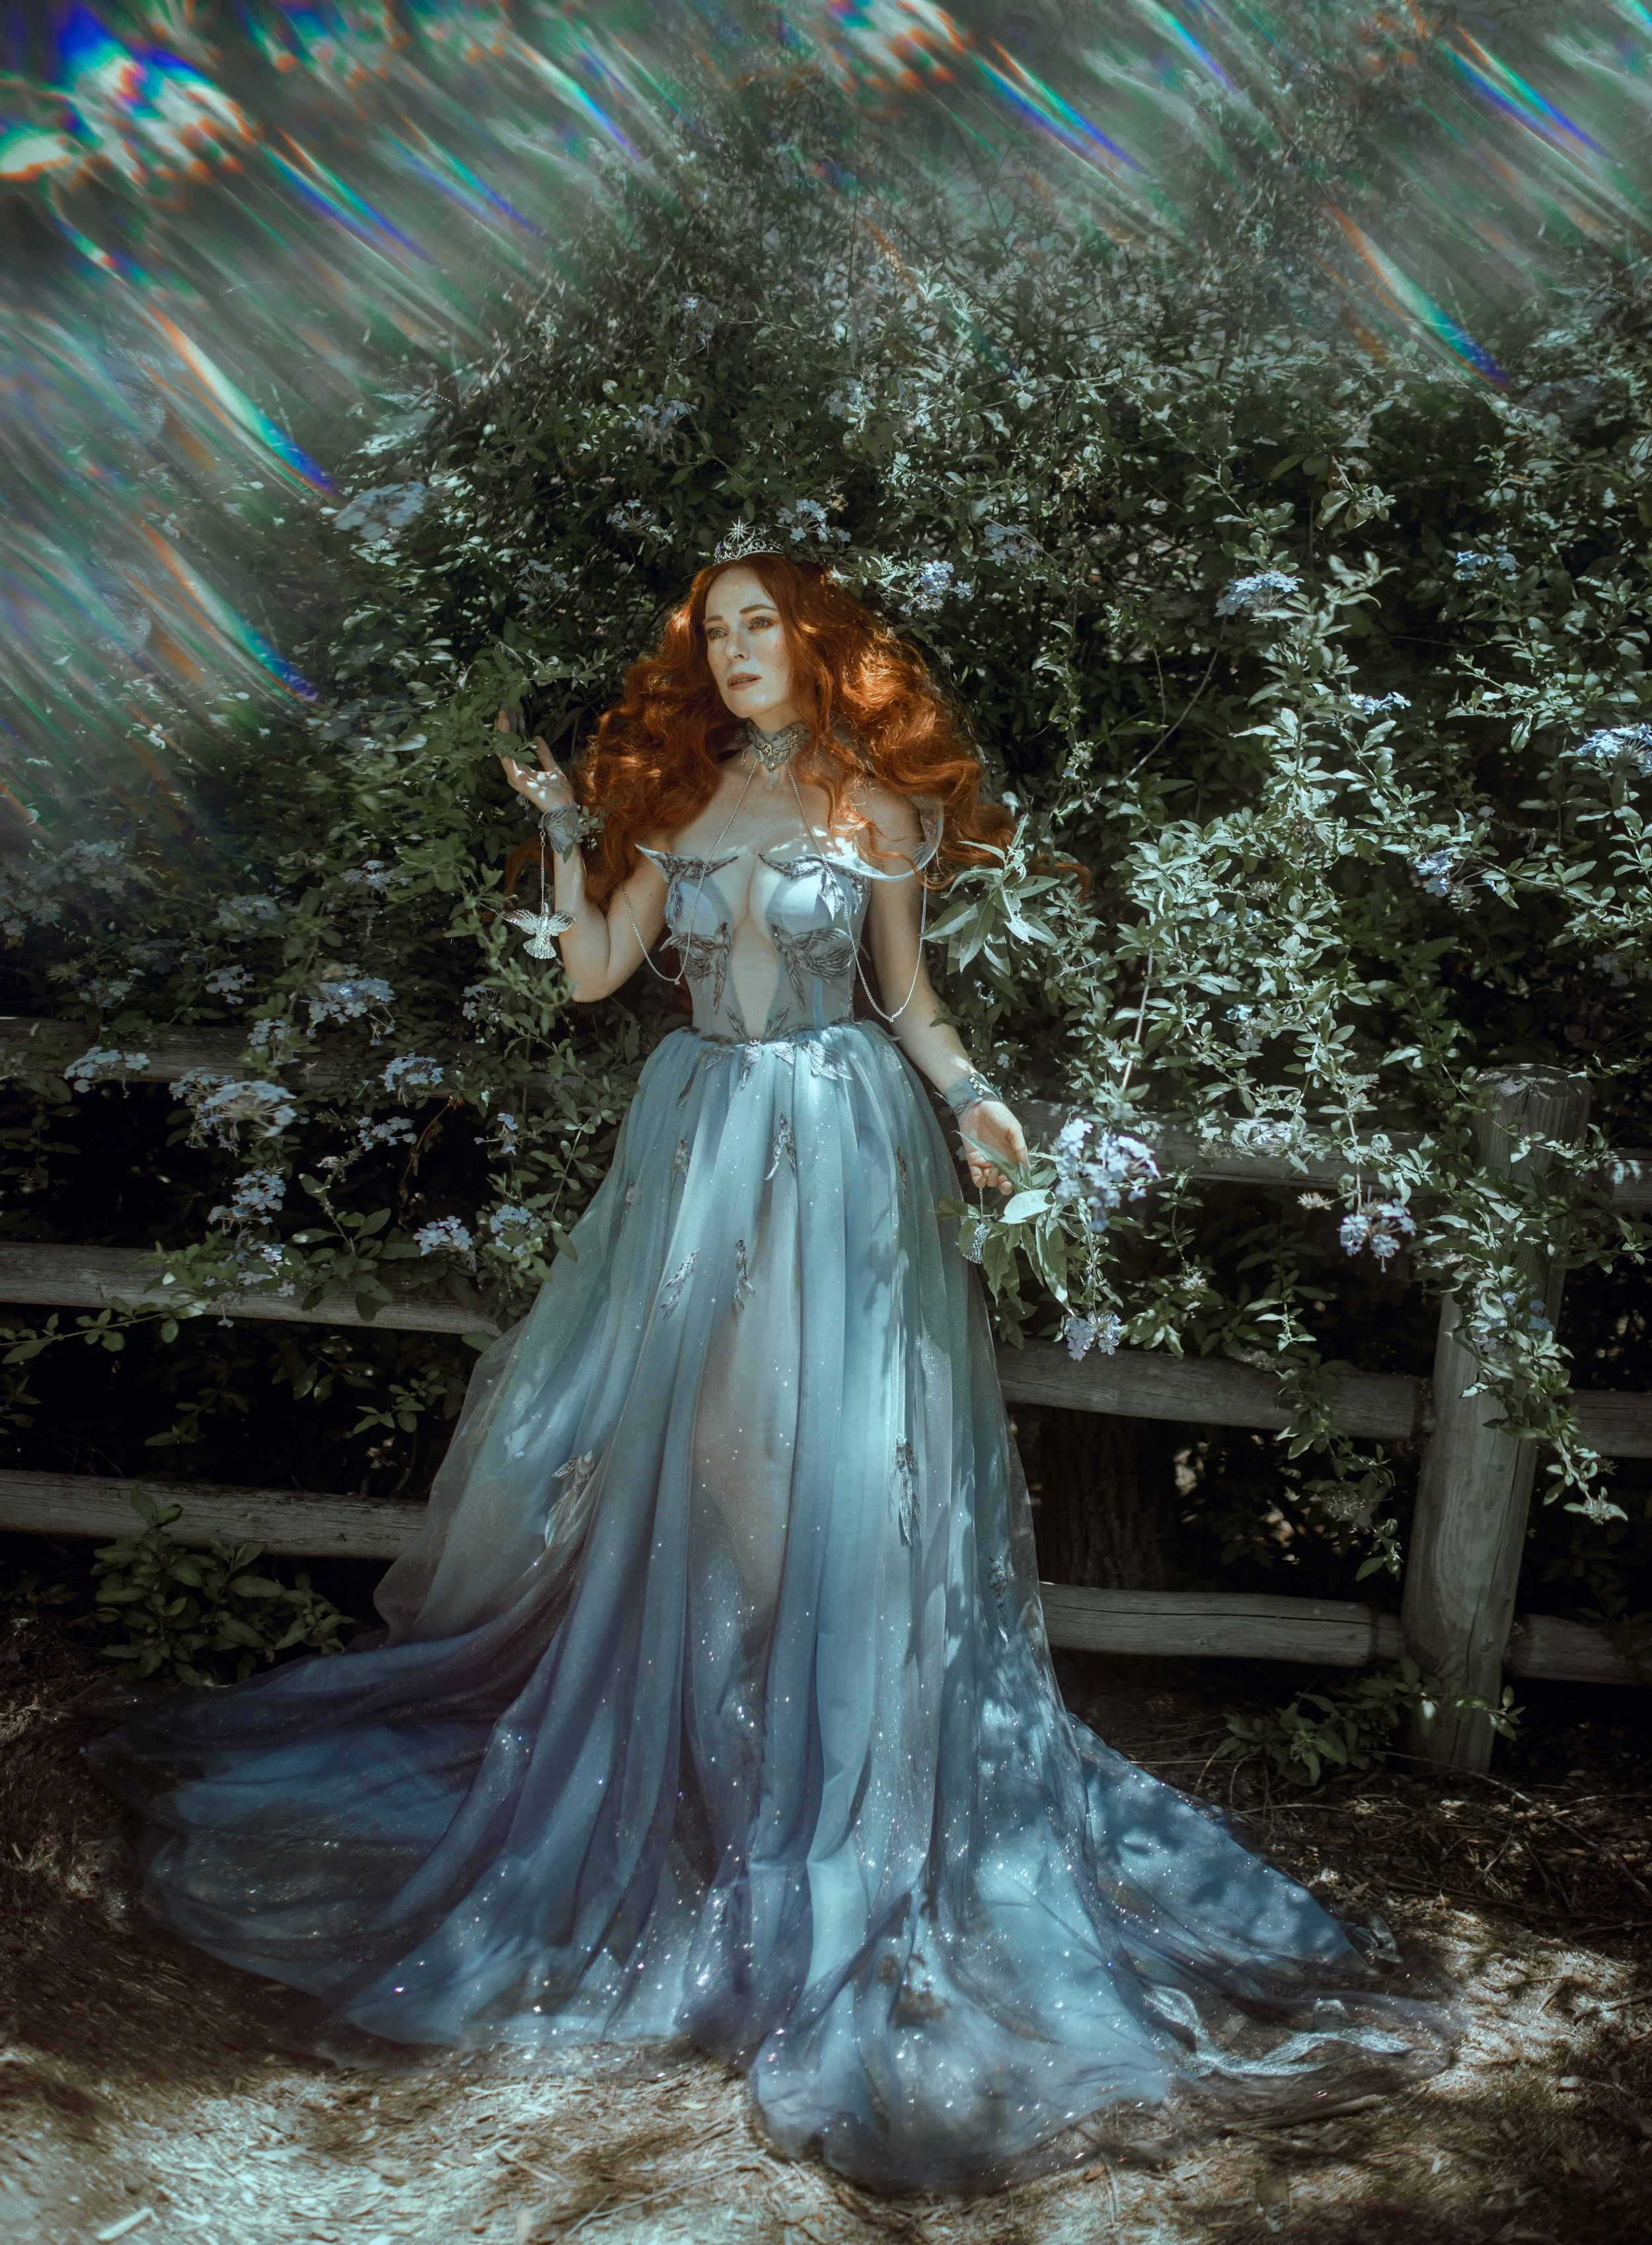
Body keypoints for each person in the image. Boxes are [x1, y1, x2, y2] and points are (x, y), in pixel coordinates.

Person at [91, 527, 1455, 2193]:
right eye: (712, 635)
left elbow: (908, 999)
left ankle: (832, 1791)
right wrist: (564, 840)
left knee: (845, 1457)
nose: (731, 653)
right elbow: (595, 976)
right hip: (702, 1141)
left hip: (841, 1144)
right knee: (713, 1452)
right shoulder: (674, 807)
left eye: (756, 627)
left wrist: (973, 1102)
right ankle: (732, 1763)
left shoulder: (871, 807)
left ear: (813, 643)